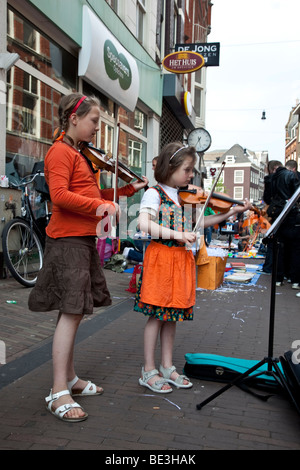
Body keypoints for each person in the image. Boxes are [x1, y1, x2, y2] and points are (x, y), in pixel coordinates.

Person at [28, 93, 148, 422]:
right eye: (94, 121)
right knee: (71, 313)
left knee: (75, 312)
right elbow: (61, 196)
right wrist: (100, 207)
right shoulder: (60, 152)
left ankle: (68, 379)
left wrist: (123, 193)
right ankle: (57, 392)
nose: (97, 128)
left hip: (81, 240)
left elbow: (90, 195)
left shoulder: (79, 154)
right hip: (67, 242)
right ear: (74, 119)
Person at [134, 142, 252, 393]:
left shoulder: (184, 196)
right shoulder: (154, 194)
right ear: (170, 167)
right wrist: (177, 235)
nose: (191, 176)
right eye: (187, 170)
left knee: (172, 315)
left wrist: (231, 211)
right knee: (156, 316)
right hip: (162, 259)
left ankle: (166, 366)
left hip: (181, 261)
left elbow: (201, 223)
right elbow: (144, 224)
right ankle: (148, 369)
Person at [263, 160, 300, 289]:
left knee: (278, 248)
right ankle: (294, 280)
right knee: (295, 249)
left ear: (272, 169)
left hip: (277, 216)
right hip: (292, 217)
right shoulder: (291, 175)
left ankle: (278, 278)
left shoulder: (270, 179)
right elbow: (297, 196)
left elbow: (267, 199)